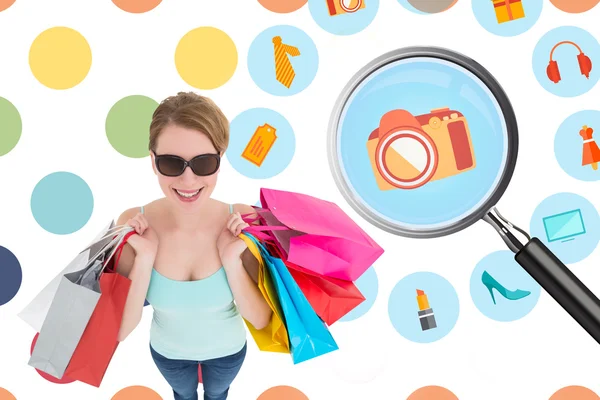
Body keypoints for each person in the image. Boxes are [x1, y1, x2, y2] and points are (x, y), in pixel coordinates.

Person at [113, 91, 273, 400]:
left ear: (220, 160)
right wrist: (144, 257)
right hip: (168, 354)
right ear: (153, 161)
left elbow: (260, 318)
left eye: (204, 163)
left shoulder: (242, 219)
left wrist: (232, 260)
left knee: (218, 394)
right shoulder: (133, 222)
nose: (188, 181)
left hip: (228, 352)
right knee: (182, 395)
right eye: (172, 163)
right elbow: (120, 330)